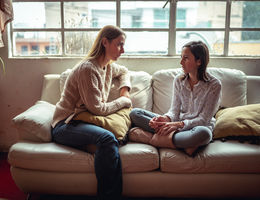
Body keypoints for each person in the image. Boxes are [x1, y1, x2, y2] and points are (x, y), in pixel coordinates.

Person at [51, 25, 132, 200]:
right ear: (105, 42)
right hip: (66, 124)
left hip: (85, 121)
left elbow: (124, 71)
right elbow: (98, 109)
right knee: (107, 138)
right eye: (119, 44)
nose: (123, 50)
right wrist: (123, 101)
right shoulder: (88, 69)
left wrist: (124, 90)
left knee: (133, 118)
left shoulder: (108, 66)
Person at [130, 41, 222, 156]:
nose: (181, 62)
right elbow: (174, 110)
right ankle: (184, 144)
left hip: (196, 128)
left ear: (199, 61)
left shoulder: (214, 85)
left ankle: (151, 139)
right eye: (181, 57)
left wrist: (178, 125)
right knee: (135, 113)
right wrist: (165, 119)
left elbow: (203, 119)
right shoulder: (179, 80)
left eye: (186, 58)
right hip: (176, 125)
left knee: (204, 134)